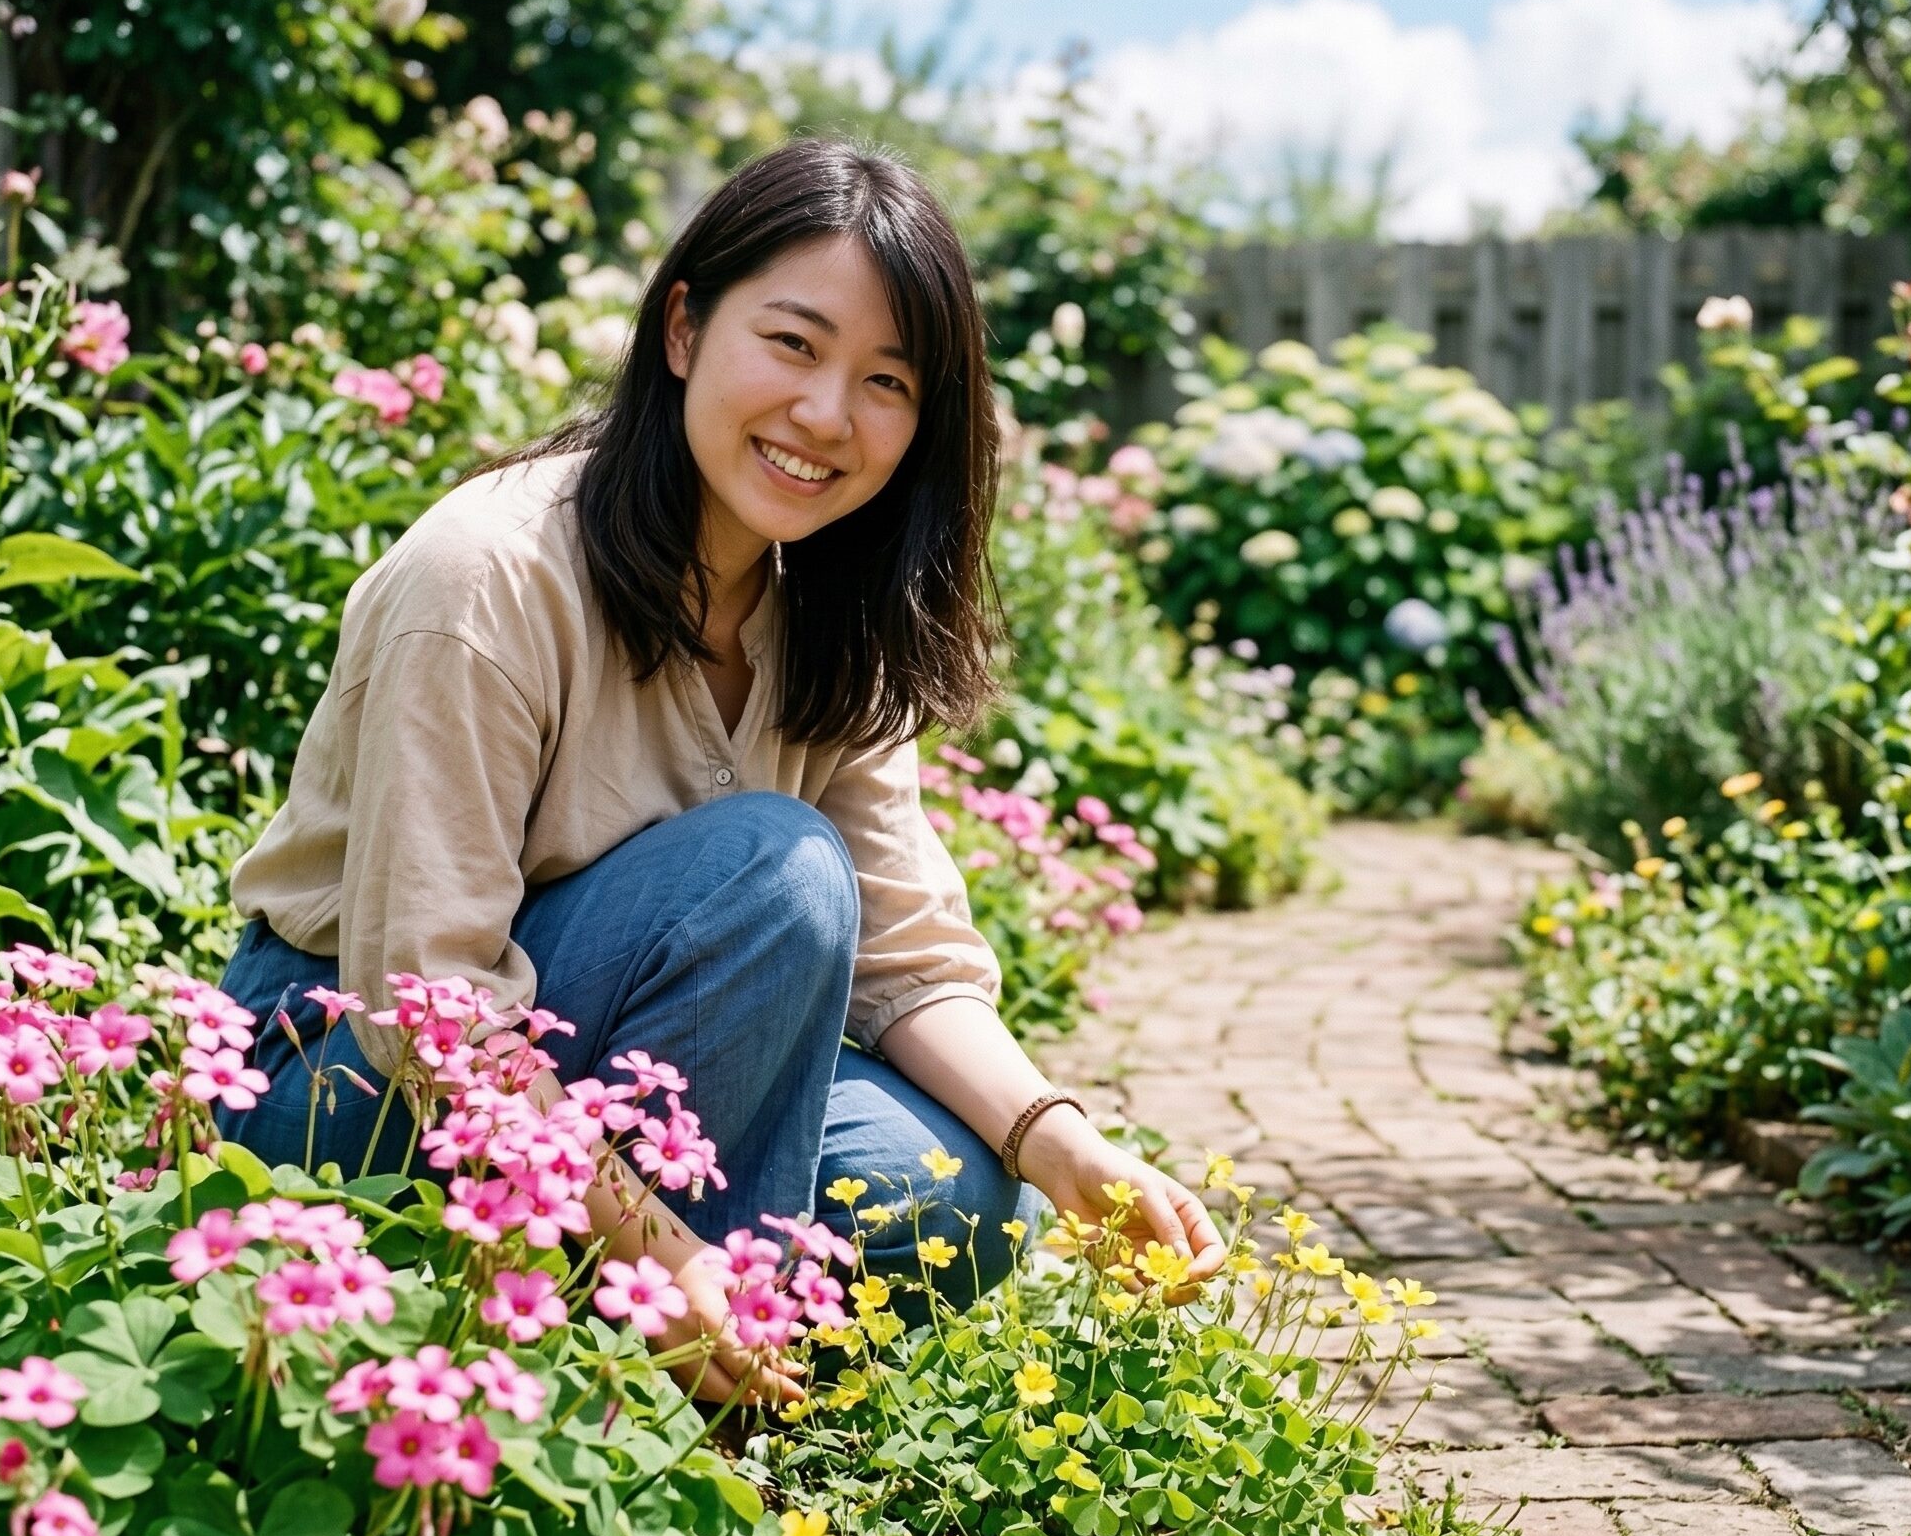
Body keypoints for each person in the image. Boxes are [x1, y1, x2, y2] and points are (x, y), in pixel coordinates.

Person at [217, 138, 1226, 1401]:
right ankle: (654, 1372)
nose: (824, 416)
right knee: (778, 868)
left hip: (604, 1083)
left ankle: (642, 1314)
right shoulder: (486, 578)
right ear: (684, 327)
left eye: (885, 381)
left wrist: (1063, 1145)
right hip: (349, 1085)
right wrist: (667, 1248)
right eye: (793, 345)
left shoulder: (831, 611)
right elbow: (434, 1005)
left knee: (965, 1197)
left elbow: (907, 961)